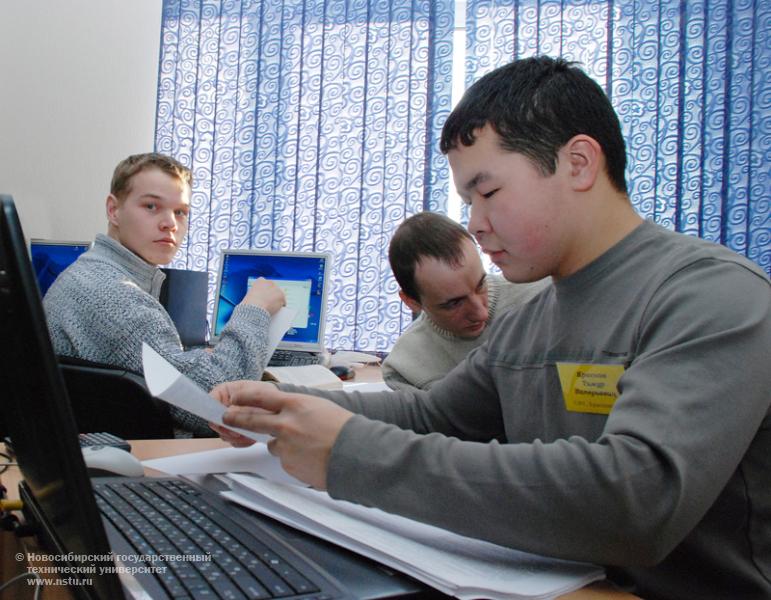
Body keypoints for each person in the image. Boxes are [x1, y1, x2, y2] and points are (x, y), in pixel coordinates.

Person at [211, 57, 771, 599]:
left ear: (578, 163)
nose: (474, 224)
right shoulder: (532, 319)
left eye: (488, 192)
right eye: (466, 201)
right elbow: (434, 416)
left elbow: (637, 499)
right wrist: (281, 403)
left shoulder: (712, 294)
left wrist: (351, 455)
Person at [44, 152, 285, 436]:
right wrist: (255, 308)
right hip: (147, 467)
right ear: (113, 210)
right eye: (151, 206)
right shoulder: (114, 296)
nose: (170, 223)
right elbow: (219, 407)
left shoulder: (91, 274)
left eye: (181, 212)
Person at [382, 211, 548, 390]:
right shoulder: (405, 367)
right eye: (454, 304)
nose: (480, 313)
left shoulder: (545, 297)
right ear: (411, 302)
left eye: (480, 285)